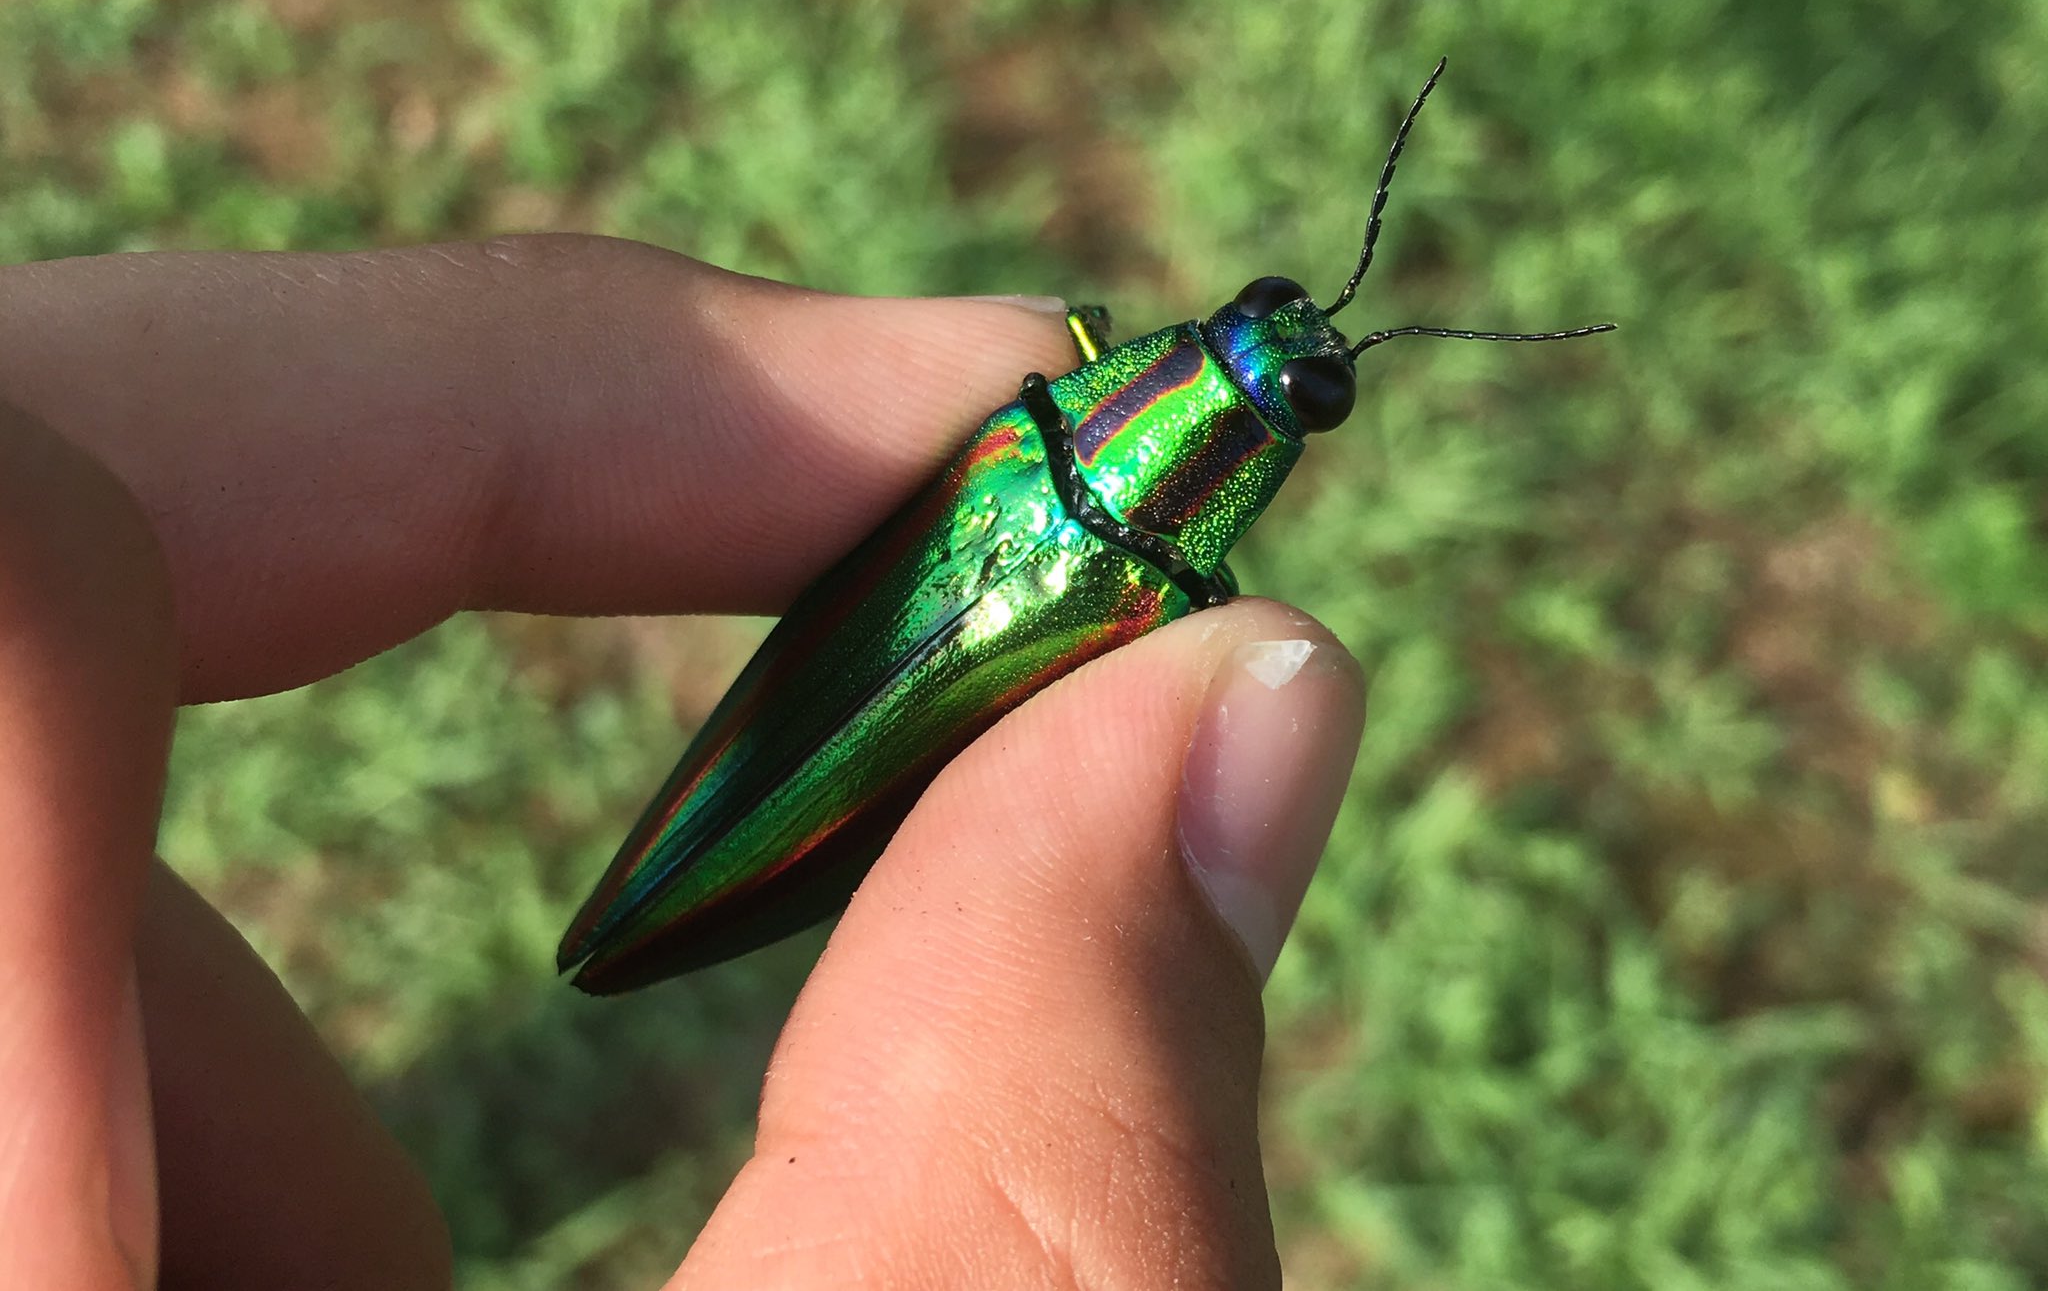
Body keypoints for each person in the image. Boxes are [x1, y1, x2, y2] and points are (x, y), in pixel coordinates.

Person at [0, 233, 1366, 1290]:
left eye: (1299, 371)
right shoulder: (1152, 579)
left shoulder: (1031, 434)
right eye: (1275, 324)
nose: (1282, 337)